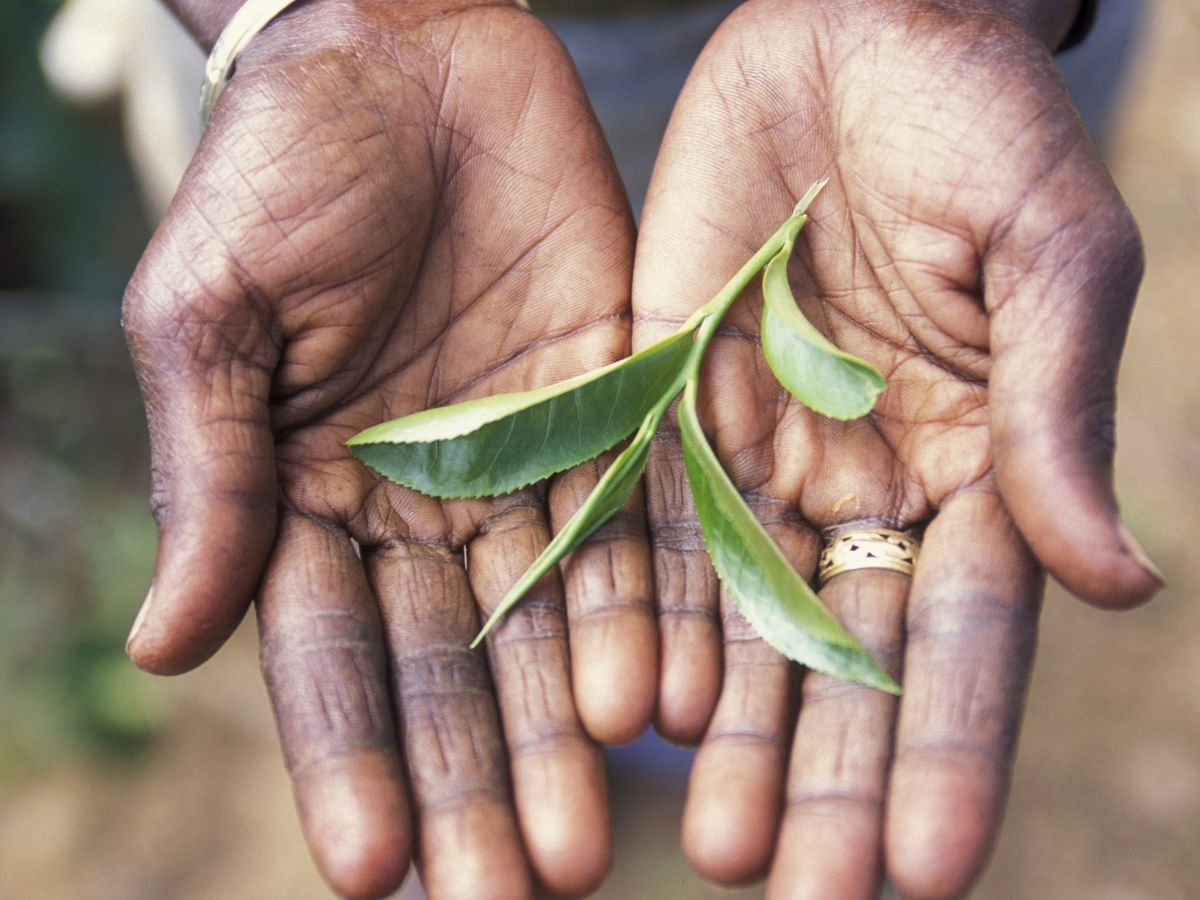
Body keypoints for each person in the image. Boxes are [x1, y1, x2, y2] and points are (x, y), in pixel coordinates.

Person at [120, 0, 1160, 898]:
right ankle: (646, 725)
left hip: (892, 84)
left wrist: (959, 12)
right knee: (544, 580)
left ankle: (672, 735)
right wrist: (299, 19)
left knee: (703, 614)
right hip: (369, 94)